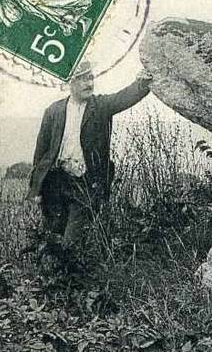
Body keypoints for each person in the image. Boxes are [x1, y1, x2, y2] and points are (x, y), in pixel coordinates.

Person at [27, 59, 152, 267]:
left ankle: (68, 281)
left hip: (84, 186)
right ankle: (49, 285)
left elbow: (125, 97)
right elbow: (41, 153)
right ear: (70, 83)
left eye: (91, 77)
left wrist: (144, 81)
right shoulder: (53, 111)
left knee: (71, 243)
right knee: (50, 238)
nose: (88, 83)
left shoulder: (101, 107)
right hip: (55, 184)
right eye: (82, 79)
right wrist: (36, 189)